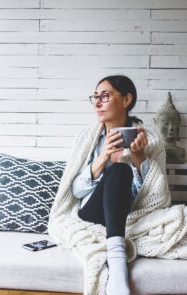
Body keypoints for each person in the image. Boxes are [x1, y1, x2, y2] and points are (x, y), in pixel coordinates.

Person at [71, 75, 150, 295]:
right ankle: (118, 265)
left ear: (126, 100)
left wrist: (139, 157)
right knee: (117, 169)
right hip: (92, 213)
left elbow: (151, 194)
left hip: (128, 213)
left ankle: (116, 264)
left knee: (121, 170)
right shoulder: (87, 140)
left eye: (104, 96)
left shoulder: (149, 140)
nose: (97, 103)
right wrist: (103, 157)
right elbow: (75, 191)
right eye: (95, 97)